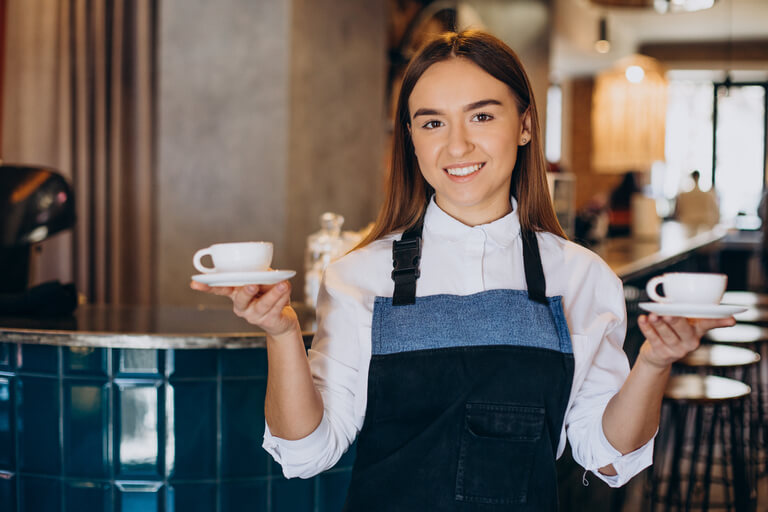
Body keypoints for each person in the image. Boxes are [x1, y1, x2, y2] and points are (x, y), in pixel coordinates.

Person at [191, 30, 734, 511]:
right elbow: (307, 452)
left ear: (524, 125)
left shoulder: (582, 278)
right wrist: (282, 333)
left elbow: (608, 457)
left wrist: (654, 363)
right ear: (411, 138)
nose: (457, 145)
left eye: (481, 115)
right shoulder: (359, 276)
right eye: (432, 122)